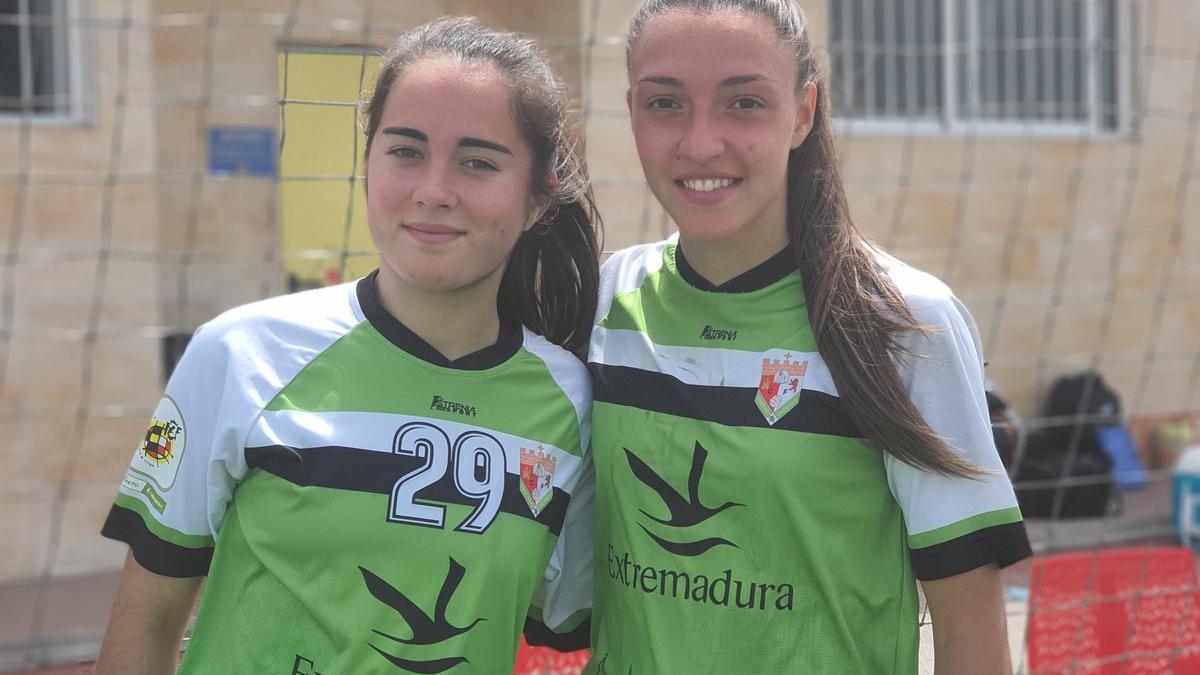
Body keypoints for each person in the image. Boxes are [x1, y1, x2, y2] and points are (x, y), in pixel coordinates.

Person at [95, 17, 599, 674]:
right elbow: (148, 624)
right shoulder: (239, 354)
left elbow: (581, 625)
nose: (433, 190)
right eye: (405, 150)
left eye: (478, 162)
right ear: (367, 161)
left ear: (538, 198)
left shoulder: (571, 403)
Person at [585, 0, 1032, 672]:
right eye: (665, 103)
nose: (701, 142)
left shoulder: (903, 321)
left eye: (744, 104)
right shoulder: (604, 301)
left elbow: (972, 630)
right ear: (631, 111)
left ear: (802, 113)